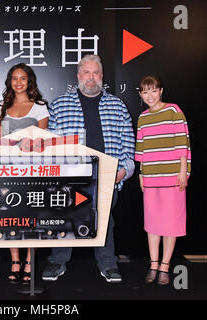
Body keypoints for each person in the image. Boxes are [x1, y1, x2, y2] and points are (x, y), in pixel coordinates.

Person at [42, 54, 135, 283]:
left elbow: (128, 139)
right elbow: (50, 141)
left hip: (107, 175)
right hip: (69, 176)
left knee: (104, 220)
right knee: (64, 217)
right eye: (86, 72)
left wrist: (125, 168)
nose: (91, 77)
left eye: (95, 73)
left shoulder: (117, 105)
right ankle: (57, 261)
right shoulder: (60, 104)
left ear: (102, 77)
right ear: (78, 76)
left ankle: (108, 264)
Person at [0, 63, 49, 284]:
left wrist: (25, 146)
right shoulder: (2, 106)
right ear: (10, 81)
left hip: (33, 169)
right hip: (8, 170)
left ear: (30, 81)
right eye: (14, 78)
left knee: (32, 217)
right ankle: (15, 260)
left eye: (23, 78)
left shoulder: (39, 107)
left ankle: (29, 260)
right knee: (9, 216)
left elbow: (43, 140)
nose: (18, 82)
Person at [135, 75, 191, 286]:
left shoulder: (173, 111)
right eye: (144, 91)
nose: (149, 95)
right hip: (150, 177)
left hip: (172, 176)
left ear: (161, 91)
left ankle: (165, 266)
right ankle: (153, 263)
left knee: (171, 223)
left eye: (153, 90)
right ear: (141, 94)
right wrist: (141, 174)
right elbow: (140, 148)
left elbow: (182, 143)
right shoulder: (142, 117)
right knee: (152, 223)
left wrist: (183, 172)